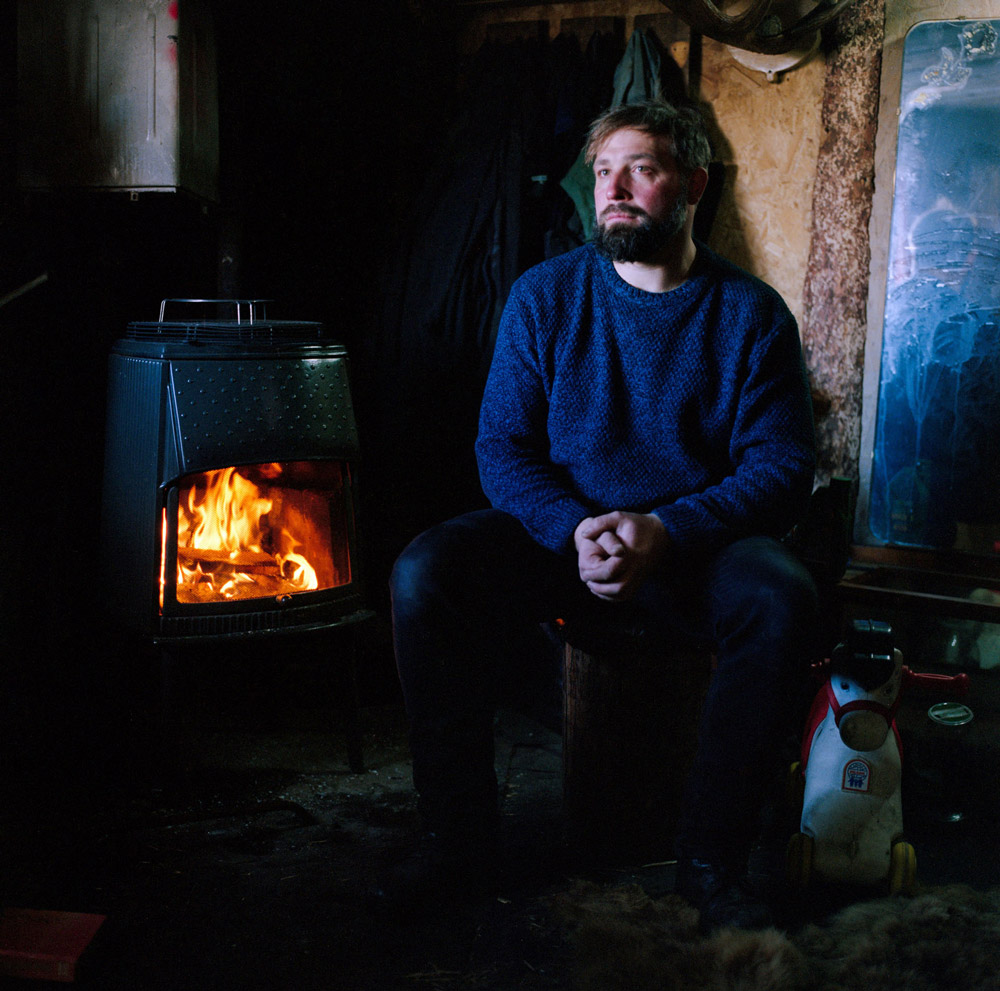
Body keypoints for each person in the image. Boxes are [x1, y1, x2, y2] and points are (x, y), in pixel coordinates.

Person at [382, 98, 819, 931]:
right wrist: (571, 528)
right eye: (604, 171)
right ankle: (457, 842)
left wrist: (670, 530)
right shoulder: (544, 298)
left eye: (641, 169)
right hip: (567, 538)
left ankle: (710, 863)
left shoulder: (751, 314)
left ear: (693, 184)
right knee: (425, 571)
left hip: (695, 548)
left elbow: (782, 467)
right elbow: (502, 448)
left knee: (781, 595)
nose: (612, 189)